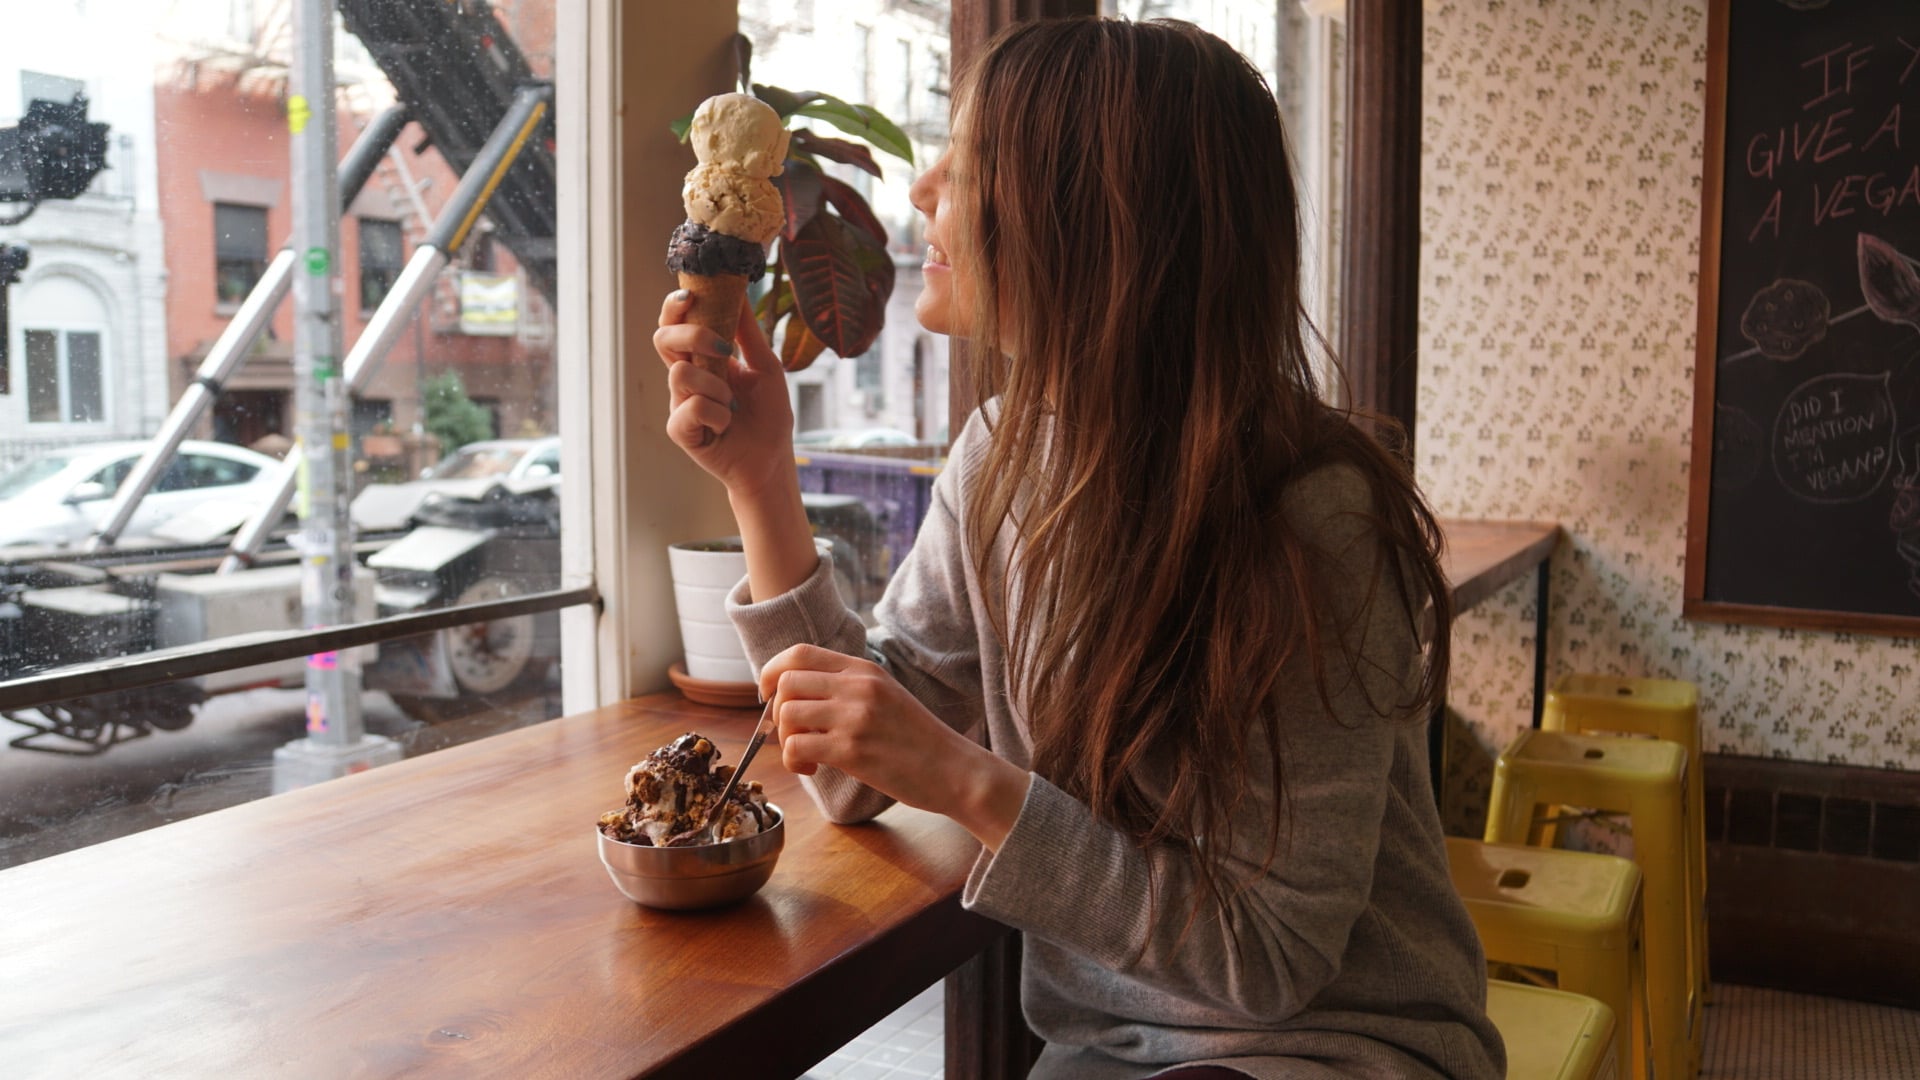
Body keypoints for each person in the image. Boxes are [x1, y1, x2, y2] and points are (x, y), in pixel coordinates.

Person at [652, 17, 1503, 1080]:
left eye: (974, 163)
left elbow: (1270, 959)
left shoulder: (1309, 515)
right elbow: (857, 775)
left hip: (1335, 1048)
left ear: (1097, 221)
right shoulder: (1003, 454)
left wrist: (971, 784)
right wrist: (761, 479)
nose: (925, 190)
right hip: (1109, 1053)